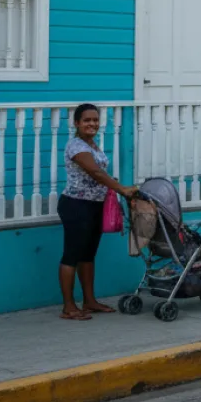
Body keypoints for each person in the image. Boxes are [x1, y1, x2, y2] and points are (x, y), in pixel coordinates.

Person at [58, 104, 137, 321]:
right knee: (71, 255)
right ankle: (68, 307)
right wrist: (121, 189)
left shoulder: (91, 144)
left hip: (94, 205)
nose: (92, 123)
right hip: (76, 205)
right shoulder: (76, 146)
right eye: (87, 120)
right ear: (76, 123)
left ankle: (89, 301)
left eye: (95, 120)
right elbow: (95, 172)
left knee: (88, 255)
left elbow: (100, 173)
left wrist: (113, 187)